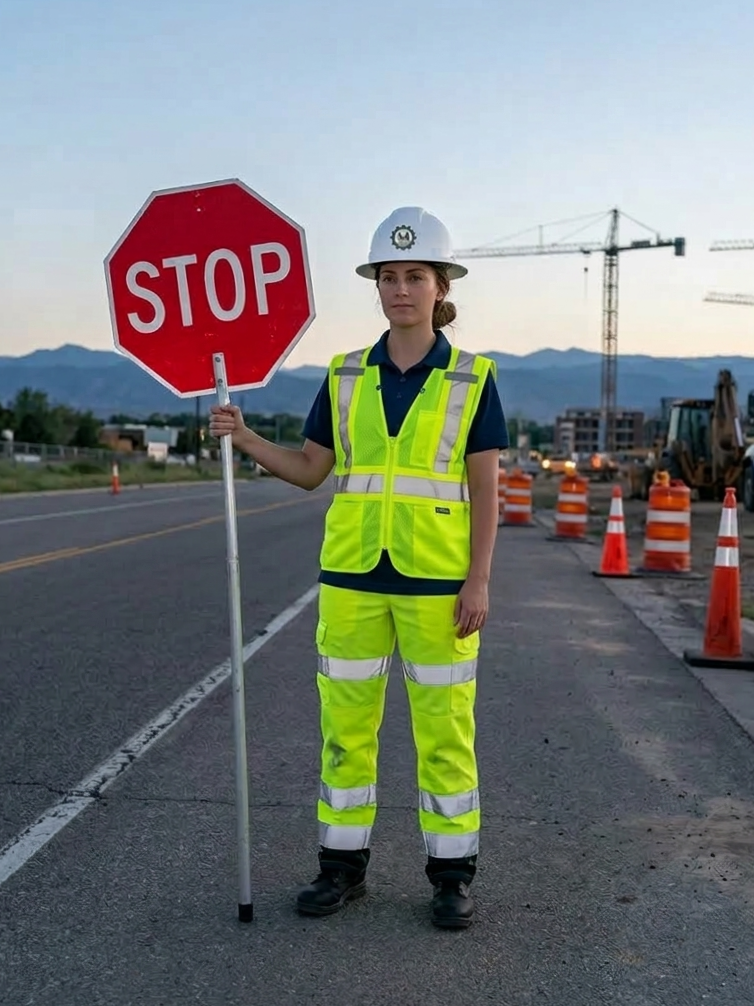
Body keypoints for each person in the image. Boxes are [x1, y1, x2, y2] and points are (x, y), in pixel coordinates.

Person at [209, 206, 509, 929]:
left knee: (445, 732)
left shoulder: (473, 379)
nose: (400, 289)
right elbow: (312, 469)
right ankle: (341, 869)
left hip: (439, 586)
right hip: (351, 581)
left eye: (415, 276)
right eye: (388, 276)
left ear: (442, 288)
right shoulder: (344, 376)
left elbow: (485, 486)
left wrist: (480, 579)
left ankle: (451, 877)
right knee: (345, 729)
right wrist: (244, 436)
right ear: (376, 286)